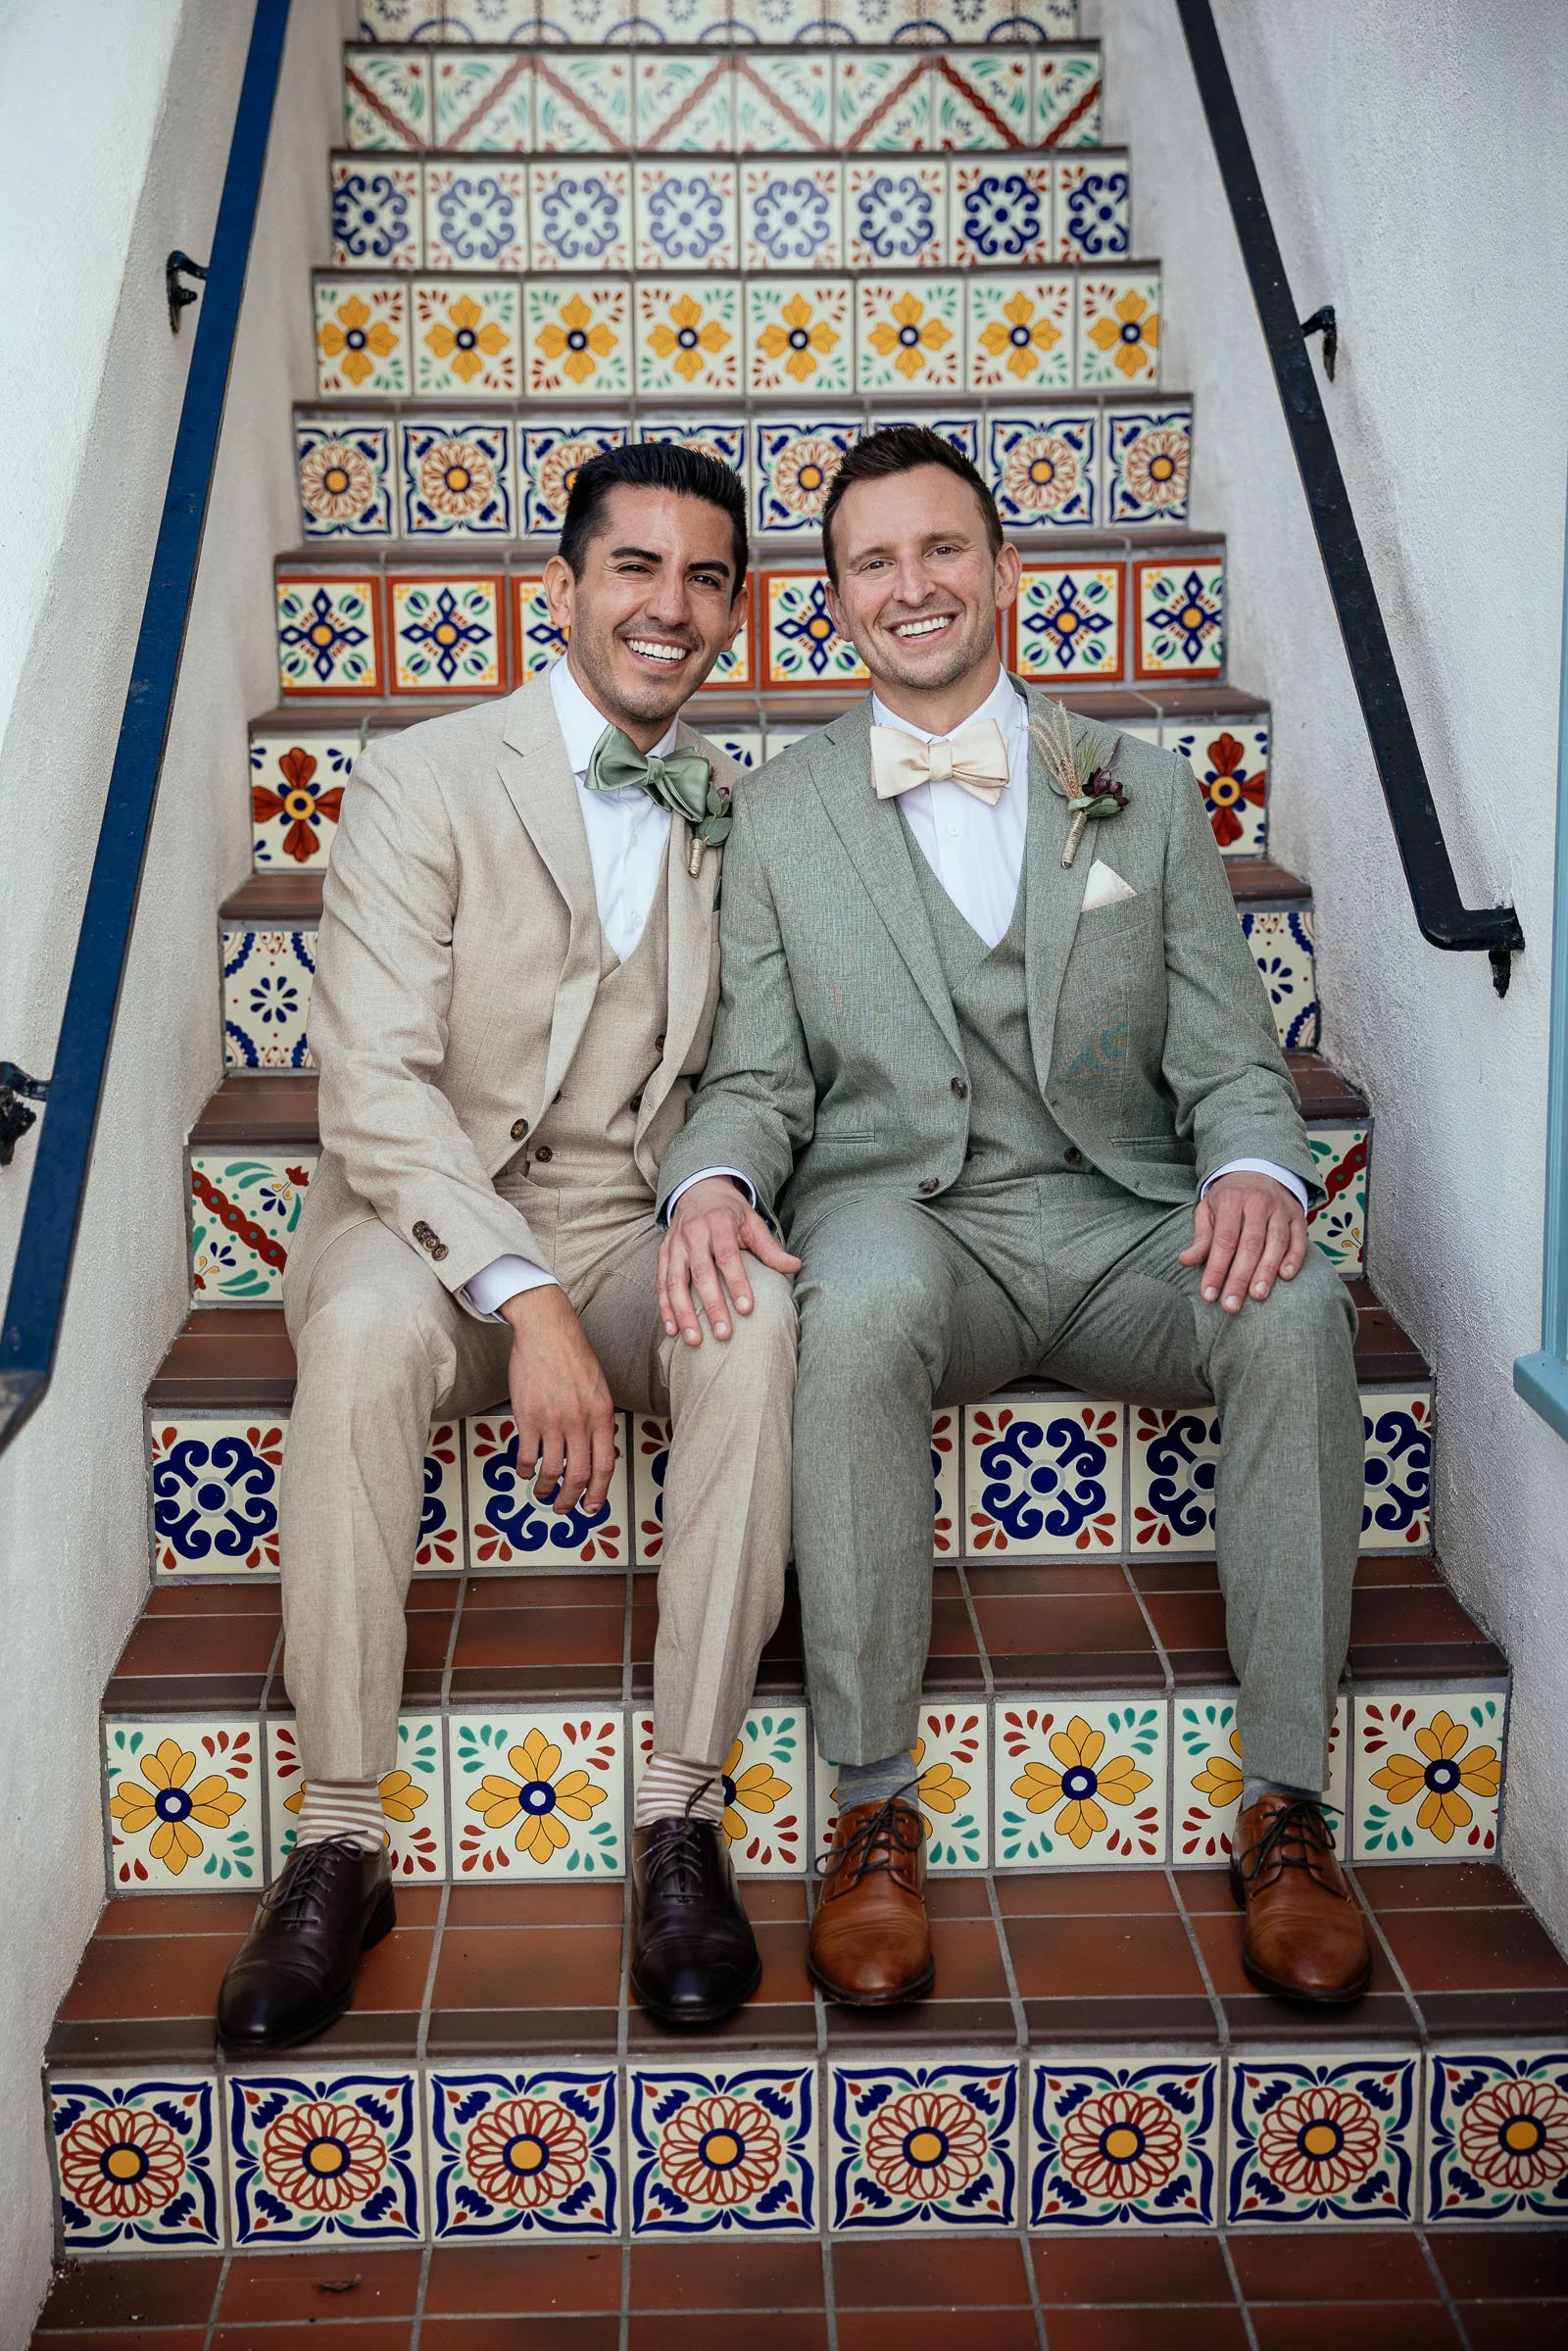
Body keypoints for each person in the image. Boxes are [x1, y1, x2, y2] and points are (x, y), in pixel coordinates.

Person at [658, 424, 1370, 2012]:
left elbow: (1234, 1063)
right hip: (910, 1218)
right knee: (849, 1312)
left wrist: (1258, 1171)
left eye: (942, 549)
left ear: (1004, 568)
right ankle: (870, 1805)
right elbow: (758, 1078)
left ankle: (1288, 1802)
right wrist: (708, 1179)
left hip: (1124, 1217)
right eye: (873, 562)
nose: (911, 585)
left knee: (1301, 1304)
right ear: (835, 600)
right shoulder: (779, 816)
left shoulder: (1141, 788)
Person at [218, 442, 798, 2048]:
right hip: (422, 1223)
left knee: (754, 1320)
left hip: (632, 1218)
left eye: (705, 579)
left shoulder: (739, 810)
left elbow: (755, 1064)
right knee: (357, 1337)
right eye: (635, 567)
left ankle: (682, 1811)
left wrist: (715, 1189)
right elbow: (373, 1088)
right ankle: (340, 1832)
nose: (670, 606)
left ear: (735, 613)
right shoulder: (424, 776)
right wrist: (527, 1300)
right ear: (561, 588)